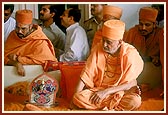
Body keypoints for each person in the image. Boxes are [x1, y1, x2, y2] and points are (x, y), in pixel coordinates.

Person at [71, 20, 144, 111]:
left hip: (119, 93)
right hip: (98, 92)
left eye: (109, 42)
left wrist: (106, 92)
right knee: (79, 97)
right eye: (103, 40)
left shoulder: (130, 54)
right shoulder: (98, 48)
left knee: (135, 101)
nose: (104, 45)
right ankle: (111, 109)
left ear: (120, 42)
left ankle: (108, 109)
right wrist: (74, 99)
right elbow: (86, 75)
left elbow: (131, 83)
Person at [4, 9, 57, 76]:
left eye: (23, 29)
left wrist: (18, 59)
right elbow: (4, 56)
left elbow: (47, 61)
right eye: (17, 27)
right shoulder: (13, 34)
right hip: (12, 74)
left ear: (31, 26)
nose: (19, 31)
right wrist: (16, 64)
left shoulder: (39, 40)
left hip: (36, 76)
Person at [123, 7, 163, 89]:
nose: (143, 28)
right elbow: (123, 53)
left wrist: (157, 58)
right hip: (134, 73)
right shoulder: (132, 32)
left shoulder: (160, 34)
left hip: (153, 73)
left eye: (147, 25)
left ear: (154, 24)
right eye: (141, 24)